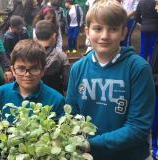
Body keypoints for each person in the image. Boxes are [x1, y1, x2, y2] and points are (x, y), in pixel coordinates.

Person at [66, 0, 156, 159]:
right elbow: (71, 114)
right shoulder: (77, 68)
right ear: (87, 32)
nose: (105, 36)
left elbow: (138, 127)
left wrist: (90, 143)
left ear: (123, 32)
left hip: (129, 156)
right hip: (87, 155)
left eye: (113, 29)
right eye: (97, 28)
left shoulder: (138, 68)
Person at [0, 39, 65, 123]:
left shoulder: (56, 100)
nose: (27, 74)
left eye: (34, 68)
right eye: (21, 68)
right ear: (13, 70)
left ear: (43, 71)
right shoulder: (1, 94)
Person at [35, 20, 70, 94]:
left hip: (34, 96)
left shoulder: (30, 54)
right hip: (56, 95)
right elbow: (67, 81)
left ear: (36, 37)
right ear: (54, 36)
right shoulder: (61, 56)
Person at [135, 0, 158, 64]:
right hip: (156, 29)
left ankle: (141, 66)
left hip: (144, 28)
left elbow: (136, 17)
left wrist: (143, 23)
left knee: (143, 49)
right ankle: (152, 68)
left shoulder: (141, 2)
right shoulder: (156, 2)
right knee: (153, 50)